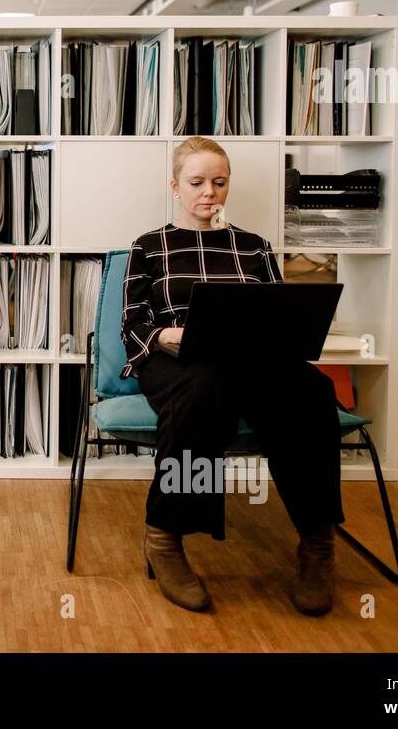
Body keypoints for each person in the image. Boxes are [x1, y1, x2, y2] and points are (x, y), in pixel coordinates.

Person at [121, 136, 345, 615]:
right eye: (197, 182)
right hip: (177, 360)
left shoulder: (255, 247)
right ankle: (165, 540)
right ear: (175, 186)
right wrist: (166, 335)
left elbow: (280, 313)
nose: (209, 193)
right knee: (204, 388)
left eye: (218, 183)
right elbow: (133, 323)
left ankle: (317, 544)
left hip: (250, 358)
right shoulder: (148, 247)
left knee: (310, 389)